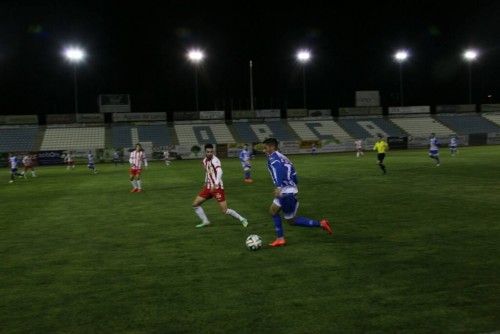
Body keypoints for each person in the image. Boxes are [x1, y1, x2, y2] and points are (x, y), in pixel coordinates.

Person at [262, 138, 332, 247]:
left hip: (285, 192)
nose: (264, 150)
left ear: (272, 147)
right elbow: (294, 174)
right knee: (273, 211)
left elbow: (279, 169)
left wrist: (279, 187)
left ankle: (320, 224)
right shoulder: (284, 157)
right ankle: (280, 239)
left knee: (291, 221)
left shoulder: (273, 158)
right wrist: (293, 185)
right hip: (289, 190)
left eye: (265, 148)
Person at [192, 143, 248, 228]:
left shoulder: (215, 160)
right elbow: (207, 172)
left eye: (211, 152)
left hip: (217, 187)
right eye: (208, 152)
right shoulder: (204, 161)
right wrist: (206, 181)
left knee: (224, 210)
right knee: (195, 204)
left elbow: (220, 172)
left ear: (213, 152)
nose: (210, 153)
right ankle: (205, 221)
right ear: (205, 152)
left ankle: (242, 219)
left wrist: (216, 184)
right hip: (208, 187)